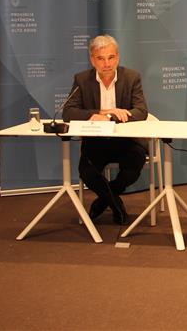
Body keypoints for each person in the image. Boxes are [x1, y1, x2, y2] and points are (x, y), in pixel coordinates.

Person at [63, 34, 148, 225]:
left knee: (133, 168)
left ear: (117, 57)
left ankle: (103, 202)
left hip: (127, 141)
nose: (107, 64)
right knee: (87, 171)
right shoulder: (82, 80)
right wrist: (101, 112)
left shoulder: (132, 77)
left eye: (111, 58)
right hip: (97, 141)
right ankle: (116, 205)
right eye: (100, 59)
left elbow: (141, 110)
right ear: (93, 60)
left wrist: (111, 117)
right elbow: (68, 113)